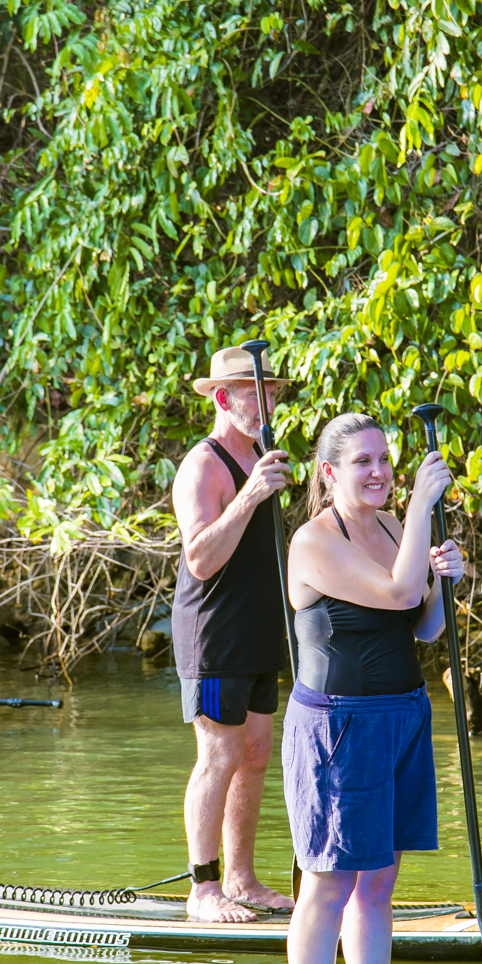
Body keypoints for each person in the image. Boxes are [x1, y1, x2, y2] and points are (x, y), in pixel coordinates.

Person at [280, 412, 463, 964]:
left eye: (385, 458)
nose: (381, 471)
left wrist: (445, 579)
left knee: (378, 881)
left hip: (402, 713)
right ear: (328, 473)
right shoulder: (312, 542)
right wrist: (421, 511)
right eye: (363, 461)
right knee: (329, 881)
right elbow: (394, 589)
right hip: (338, 725)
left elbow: (422, 624)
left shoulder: (390, 526)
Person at [170, 346, 299, 923]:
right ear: (223, 399)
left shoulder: (264, 458)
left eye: (272, 392)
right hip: (214, 632)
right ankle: (203, 888)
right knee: (218, 753)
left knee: (255, 754)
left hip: (260, 629)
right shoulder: (204, 464)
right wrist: (249, 495)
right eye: (257, 393)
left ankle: (243, 880)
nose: (269, 402)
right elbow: (200, 558)